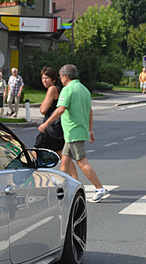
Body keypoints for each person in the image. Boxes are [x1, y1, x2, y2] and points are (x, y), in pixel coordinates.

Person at [38, 64, 109, 203]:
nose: (61, 80)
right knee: (64, 161)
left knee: (82, 162)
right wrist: (90, 129)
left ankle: (100, 188)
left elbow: (60, 109)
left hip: (73, 132)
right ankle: (60, 189)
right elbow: (90, 111)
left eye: (61, 77)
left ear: (65, 76)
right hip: (77, 131)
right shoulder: (84, 90)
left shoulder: (68, 89)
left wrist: (46, 123)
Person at [34, 67, 70, 163]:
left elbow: (43, 110)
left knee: (36, 151)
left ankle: (32, 176)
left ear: (53, 79)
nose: (44, 81)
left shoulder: (52, 89)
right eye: (42, 78)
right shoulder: (58, 89)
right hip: (56, 126)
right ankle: (73, 177)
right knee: (61, 154)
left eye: (47, 78)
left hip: (50, 127)